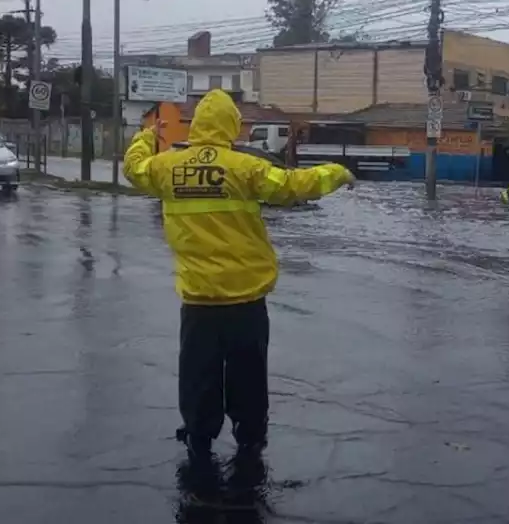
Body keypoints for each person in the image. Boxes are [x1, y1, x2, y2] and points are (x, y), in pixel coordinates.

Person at [123, 89, 355, 463]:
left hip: (198, 299)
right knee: (248, 373)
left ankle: (199, 435)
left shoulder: (168, 167)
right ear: (232, 124)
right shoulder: (245, 167)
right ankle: (250, 438)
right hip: (245, 298)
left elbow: (134, 168)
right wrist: (336, 172)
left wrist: (148, 135)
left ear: (197, 125)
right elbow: (293, 186)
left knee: (198, 372)